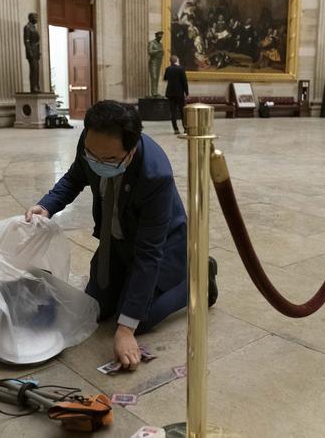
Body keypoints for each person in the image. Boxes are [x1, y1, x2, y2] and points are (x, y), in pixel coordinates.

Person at [25, 101, 218, 371]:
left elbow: (149, 253)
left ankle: (199, 279)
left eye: (110, 160)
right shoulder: (93, 139)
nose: (98, 163)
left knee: (140, 318)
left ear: (132, 148)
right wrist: (46, 206)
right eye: (93, 156)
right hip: (117, 241)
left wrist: (126, 330)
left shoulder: (155, 175)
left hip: (163, 245)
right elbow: (75, 176)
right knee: (96, 307)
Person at [163, 55, 189, 134]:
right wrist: (186, 92)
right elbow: (184, 81)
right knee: (182, 111)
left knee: (173, 111)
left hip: (170, 93)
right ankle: (185, 128)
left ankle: (176, 129)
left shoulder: (168, 69)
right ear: (177, 60)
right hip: (179, 93)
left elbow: (165, 78)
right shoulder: (181, 69)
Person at [24, 12, 41, 93]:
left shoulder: (34, 27)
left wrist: (38, 52)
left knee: (37, 70)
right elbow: (26, 41)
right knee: (33, 70)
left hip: (36, 52)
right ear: (30, 18)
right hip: (31, 52)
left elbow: (37, 42)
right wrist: (30, 52)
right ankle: (33, 87)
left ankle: (37, 85)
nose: (37, 19)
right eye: (35, 17)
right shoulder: (27, 27)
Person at [147, 31, 164, 97]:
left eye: (161, 37)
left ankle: (155, 92)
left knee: (157, 77)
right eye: (159, 37)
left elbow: (162, 52)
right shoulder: (151, 43)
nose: (160, 38)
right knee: (153, 77)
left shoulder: (160, 44)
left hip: (159, 61)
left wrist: (162, 53)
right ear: (156, 36)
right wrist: (158, 51)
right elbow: (150, 51)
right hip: (153, 61)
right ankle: (153, 92)